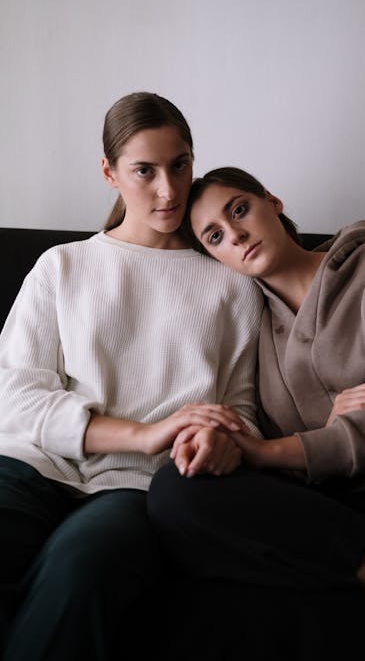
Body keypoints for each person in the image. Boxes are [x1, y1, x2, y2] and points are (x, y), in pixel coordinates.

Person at [148, 166, 365, 660]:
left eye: (240, 210)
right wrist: (226, 442)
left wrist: (273, 450)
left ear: (273, 202)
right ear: (214, 257)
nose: (237, 235)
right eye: (216, 236)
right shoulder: (253, 326)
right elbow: (291, 448)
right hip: (349, 489)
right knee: (174, 493)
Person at [0, 101, 264, 660]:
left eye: (180, 165)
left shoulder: (233, 285)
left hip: (133, 488)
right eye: (145, 170)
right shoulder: (62, 266)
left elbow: (242, 410)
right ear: (110, 172)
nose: (168, 190)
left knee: (82, 572)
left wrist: (223, 440)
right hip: (29, 465)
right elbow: (13, 397)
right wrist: (141, 432)